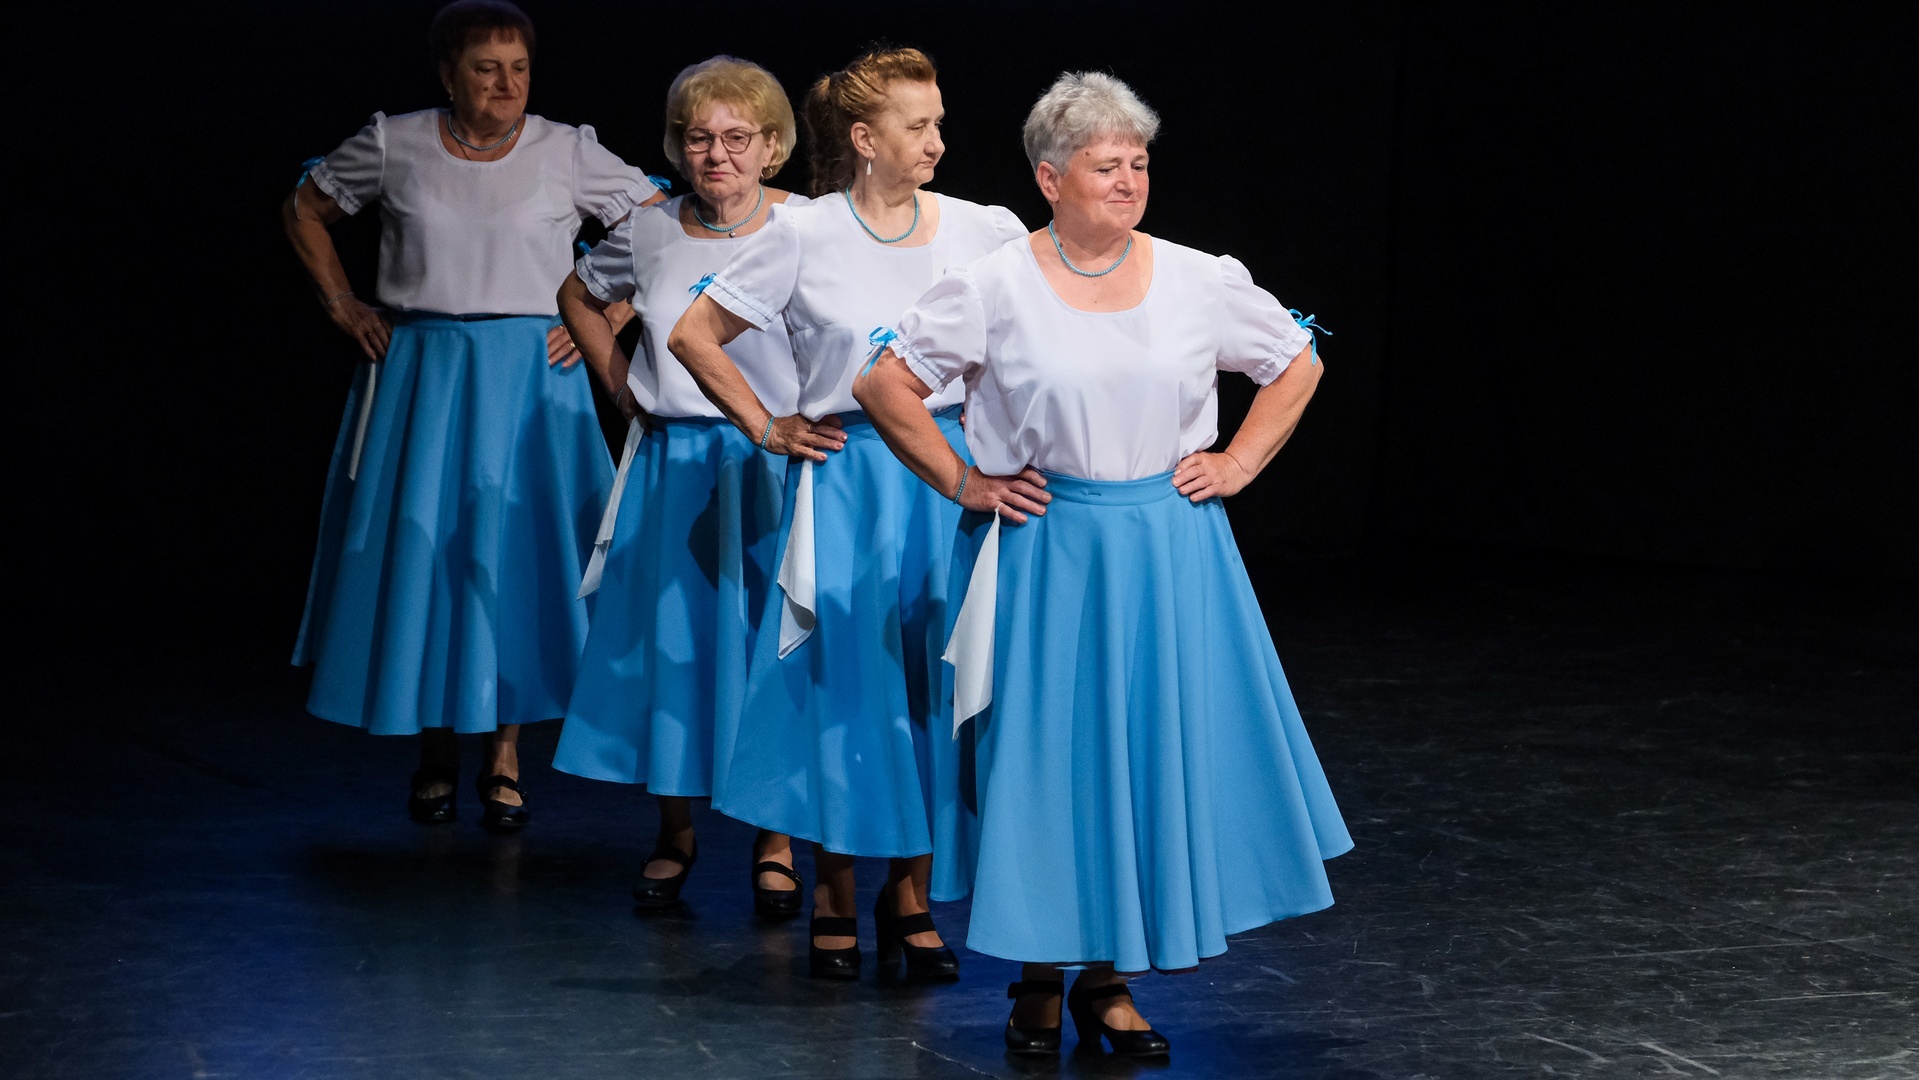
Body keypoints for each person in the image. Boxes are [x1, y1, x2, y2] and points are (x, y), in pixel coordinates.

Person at [853, 72, 1352, 1055]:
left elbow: (1296, 358)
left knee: (1140, 753)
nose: (1127, 182)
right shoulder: (994, 284)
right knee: (1049, 760)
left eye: (1138, 164)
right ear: (1049, 178)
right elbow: (884, 382)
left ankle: (1110, 981)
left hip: (1166, 551)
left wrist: (1238, 461)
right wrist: (963, 481)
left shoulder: (1197, 277)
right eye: (1104, 165)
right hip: (1047, 548)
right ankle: (1039, 979)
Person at [667, 46, 1027, 979]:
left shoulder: (984, 230)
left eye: (939, 124)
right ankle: (833, 892)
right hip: (850, 483)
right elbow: (693, 333)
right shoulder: (805, 233)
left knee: (933, 687)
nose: (936, 142)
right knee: (845, 690)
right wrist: (764, 425)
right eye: (918, 126)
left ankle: (910, 896)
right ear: (864, 139)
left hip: (949, 477)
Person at [285, 0, 662, 829]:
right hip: (424, 372)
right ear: (448, 74)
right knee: (428, 551)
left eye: (518, 68)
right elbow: (305, 207)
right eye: (486, 69)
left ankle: (503, 755)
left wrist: (605, 317)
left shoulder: (566, 151)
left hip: (530, 377)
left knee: (515, 555)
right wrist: (342, 301)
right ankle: (434, 748)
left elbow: (659, 228)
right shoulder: (397, 143)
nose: (506, 84)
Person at [550, 56, 807, 915]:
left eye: (736, 138)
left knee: (769, 650)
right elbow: (579, 295)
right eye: (699, 139)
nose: (716, 155)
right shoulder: (652, 229)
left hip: (770, 467)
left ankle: (774, 840)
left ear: (771, 145)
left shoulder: (807, 228)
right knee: (673, 650)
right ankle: (674, 831)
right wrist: (622, 385)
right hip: (674, 467)